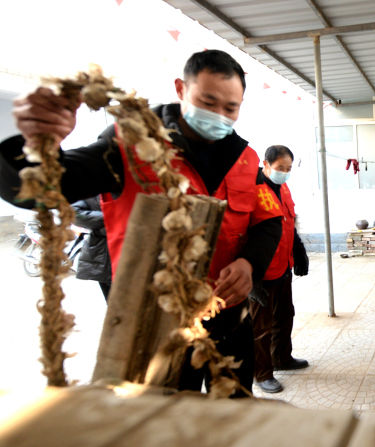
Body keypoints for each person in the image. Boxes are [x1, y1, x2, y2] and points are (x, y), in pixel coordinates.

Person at [0, 49, 283, 396]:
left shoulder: (244, 157)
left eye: (231, 108)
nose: (220, 116)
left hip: (228, 309)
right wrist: (35, 142)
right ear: (181, 89)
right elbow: (42, 188)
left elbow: (268, 221)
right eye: (208, 102)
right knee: (165, 417)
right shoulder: (130, 144)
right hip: (156, 320)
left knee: (236, 406)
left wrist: (249, 263)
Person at [248, 145, 309, 394]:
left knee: (285, 316)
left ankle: (282, 358)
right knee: (259, 325)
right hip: (260, 272)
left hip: (282, 265)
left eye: (288, 169)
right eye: (280, 168)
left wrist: (299, 252)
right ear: (266, 164)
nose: (284, 173)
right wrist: (251, 277)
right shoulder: (251, 189)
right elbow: (240, 233)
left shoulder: (283, 188)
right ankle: (261, 373)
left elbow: (289, 223)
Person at [71, 196, 112, 300]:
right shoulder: (90, 191)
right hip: (104, 255)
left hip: (133, 252)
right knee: (114, 303)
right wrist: (110, 217)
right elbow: (74, 213)